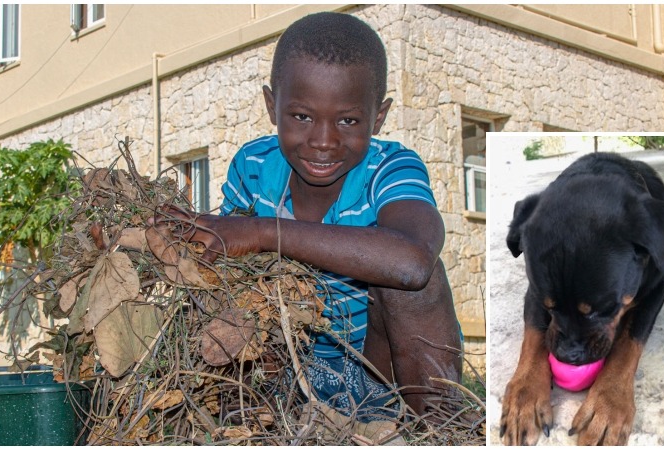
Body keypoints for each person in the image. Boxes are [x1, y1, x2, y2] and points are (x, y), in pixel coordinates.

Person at [157, 11, 463, 421]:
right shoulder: (253, 165)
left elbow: (413, 263)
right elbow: (223, 270)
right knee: (232, 294)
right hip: (286, 382)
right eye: (302, 116)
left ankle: (440, 429)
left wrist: (265, 232)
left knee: (411, 284)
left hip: (383, 378)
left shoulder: (391, 168)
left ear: (379, 117)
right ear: (271, 106)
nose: (323, 142)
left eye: (348, 121)